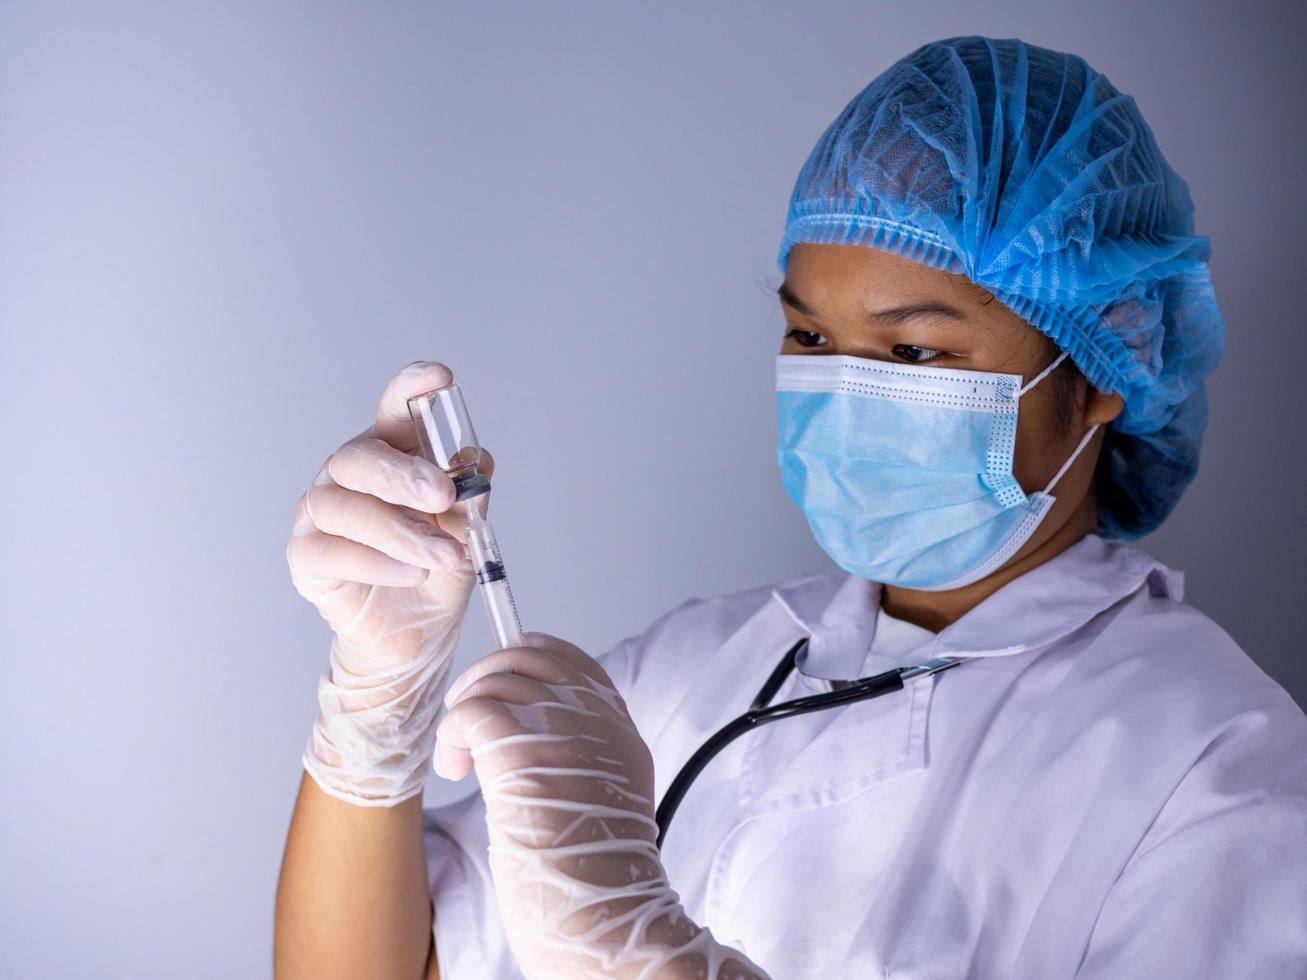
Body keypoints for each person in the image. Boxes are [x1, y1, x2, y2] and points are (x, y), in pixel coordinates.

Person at [273, 35, 1307, 979]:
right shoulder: (688, 668)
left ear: (1097, 371)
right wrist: (375, 704)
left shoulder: (1216, 768)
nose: (844, 386)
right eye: (809, 337)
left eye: (913, 351)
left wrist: (639, 955)